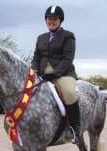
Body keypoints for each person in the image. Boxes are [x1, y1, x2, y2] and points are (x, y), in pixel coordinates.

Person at [31, 5, 80, 143]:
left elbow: (67, 59)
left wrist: (54, 74)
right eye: (49, 19)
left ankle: (75, 129)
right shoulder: (41, 38)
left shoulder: (68, 36)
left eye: (54, 19)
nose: (51, 21)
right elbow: (36, 57)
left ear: (60, 20)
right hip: (41, 74)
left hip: (63, 74)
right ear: (46, 20)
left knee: (70, 92)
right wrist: (34, 70)